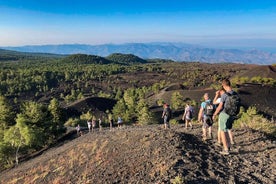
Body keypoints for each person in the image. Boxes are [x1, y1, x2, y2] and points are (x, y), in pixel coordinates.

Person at [213, 79, 239, 155]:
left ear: (224, 85)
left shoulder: (225, 95)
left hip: (225, 114)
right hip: (232, 115)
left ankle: (225, 149)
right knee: (227, 129)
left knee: (222, 131)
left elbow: (220, 106)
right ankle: (229, 146)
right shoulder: (235, 94)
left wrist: (215, 114)